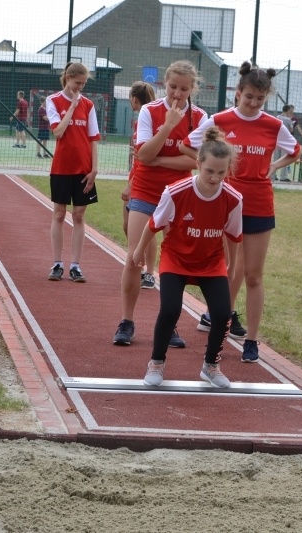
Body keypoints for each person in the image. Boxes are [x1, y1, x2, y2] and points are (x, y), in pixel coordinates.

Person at [182, 61, 301, 362]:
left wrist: (273, 166)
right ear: (238, 92)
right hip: (226, 203)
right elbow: (189, 145)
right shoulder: (219, 120)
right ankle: (220, 326)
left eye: (260, 99)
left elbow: (295, 151)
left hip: (260, 203)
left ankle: (252, 340)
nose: (253, 103)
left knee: (254, 275)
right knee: (227, 271)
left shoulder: (274, 125)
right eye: (248, 97)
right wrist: (210, 174)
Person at [137, 127, 243, 389]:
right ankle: (157, 362)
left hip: (211, 261)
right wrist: (138, 252)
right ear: (198, 164)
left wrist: (229, 265)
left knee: (222, 314)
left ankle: (211, 366)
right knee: (171, 309)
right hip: (176, 258)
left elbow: (234, 235)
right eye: (209, 171)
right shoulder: (175, 191)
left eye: (221, 173)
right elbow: (154, 224)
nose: (215, 178)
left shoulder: (233, 199)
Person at [112, 61, 206, 348]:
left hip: (178, 195)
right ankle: (127, 321)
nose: (178, 94)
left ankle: (170, 323)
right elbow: (143, 154)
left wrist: (159, 159)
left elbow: (197, 161)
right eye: (173, 87)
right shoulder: (150, 112)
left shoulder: (201, 117)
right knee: (133, 257)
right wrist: (167, 127)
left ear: (193, 89)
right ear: (165, 84)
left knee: (174, 262)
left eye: (184, 89)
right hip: (146, 191)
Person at [45, 63, 100, 283]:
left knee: (79, 215)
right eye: (78, 82)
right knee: (59, 214)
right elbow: (58, 132)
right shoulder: (54, 101)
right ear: (68, 78)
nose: (80, 87)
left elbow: (93, 138)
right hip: (61, 168)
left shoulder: (88, 105)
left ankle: (75, 266)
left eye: (84, 84)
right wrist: (72, 106)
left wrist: (94, 168)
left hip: (83, 170)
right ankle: (57, 264)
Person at [122, 81, 159, 289]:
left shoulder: (151, 120)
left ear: (134, 99)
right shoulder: (141, 120)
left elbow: (145, 158)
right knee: (127, 225)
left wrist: (132, 185)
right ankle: (138, 263)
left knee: (149, 228)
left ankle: (149, 272)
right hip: (135, 177)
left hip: (142, 181)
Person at [273, 105, 294, 182]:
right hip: (285, 142)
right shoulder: (288, 120)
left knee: (275, 158)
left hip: (277, 140)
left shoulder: (277, 117)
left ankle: (273, 175)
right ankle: (283, 177)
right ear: (288, 110)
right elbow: (291, 130)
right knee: (284, 159)